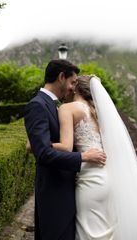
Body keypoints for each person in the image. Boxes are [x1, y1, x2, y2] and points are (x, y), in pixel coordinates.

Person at [52, 75, 137, 240]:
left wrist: (39, 144)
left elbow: (65, 147)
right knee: (104, 232)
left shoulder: (68, 108)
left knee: (88, 233)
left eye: (72, 84)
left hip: (89, 180)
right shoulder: (97, 113)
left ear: (77, 87)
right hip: (106, 178)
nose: (69, 88)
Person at [24, 60, 106, 240]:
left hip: (72, 189)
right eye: (72, 82)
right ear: (61, 77)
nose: (72, 88)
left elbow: (49, 144)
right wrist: (83, 156)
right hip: (55, 195)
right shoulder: (37, 105)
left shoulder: (58, 107)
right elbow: (44, 154)